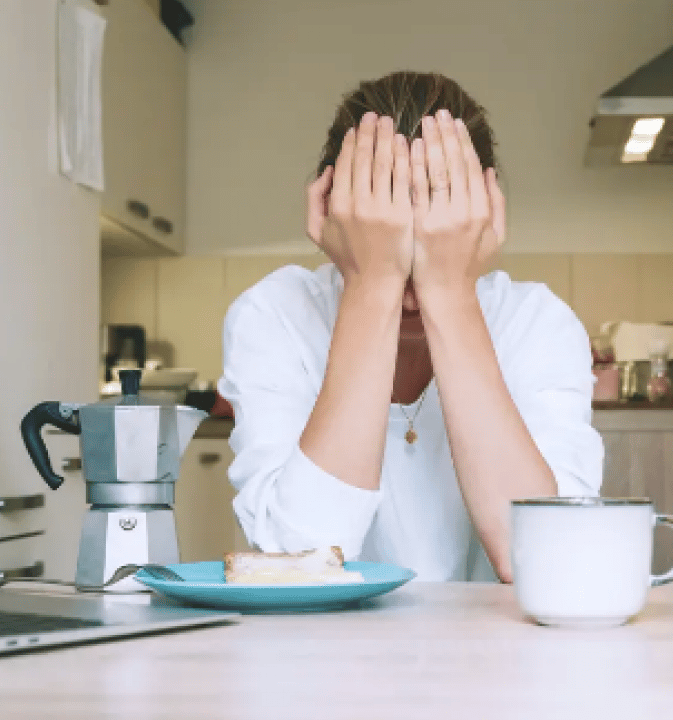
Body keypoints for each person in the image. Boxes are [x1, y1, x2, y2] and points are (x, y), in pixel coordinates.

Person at [217, 72, 603, 582]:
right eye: (385, 233)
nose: (413, 274)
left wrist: (451, 292)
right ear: (330, 211)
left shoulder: (538, 322)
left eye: (439, 234)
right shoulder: (274, 315)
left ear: (487, 216)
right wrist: (371, 285)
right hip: (320, 653)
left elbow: (544, 561)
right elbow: (298, 561)